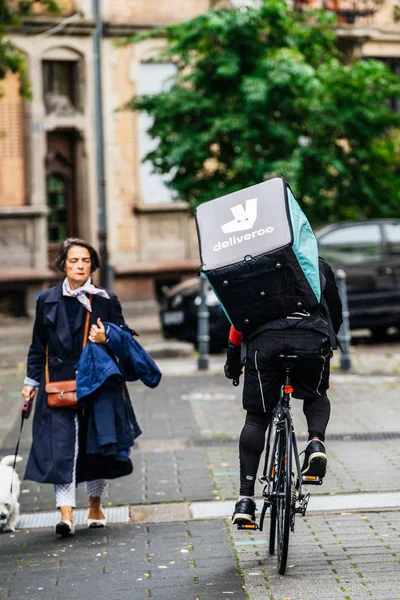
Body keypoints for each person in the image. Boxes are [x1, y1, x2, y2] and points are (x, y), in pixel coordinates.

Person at [21, 238, 142, 537]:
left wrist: (107, 339)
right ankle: (65, 515)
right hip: (58, 385)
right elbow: (38, 345)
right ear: (63, 264)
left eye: (86, 261)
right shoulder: (47, 299)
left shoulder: (105, 299)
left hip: (97, 384)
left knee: (96, 446)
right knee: (61, 448)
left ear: (93, 265)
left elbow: (125, 338)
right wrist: (31, 381)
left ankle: (95, 505)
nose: (80, 266)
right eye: (74, 261)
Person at [225, 257, 343, 525]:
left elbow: (237, 318)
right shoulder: (315, 261)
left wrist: (233, 364)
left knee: (256, 418)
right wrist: (329, 340)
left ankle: (245, 500)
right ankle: (315, 442)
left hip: (264, 345)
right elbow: (334, 307)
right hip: (312, 339)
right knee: (315, 394)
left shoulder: (251, 263)